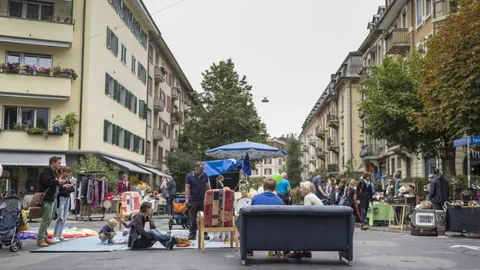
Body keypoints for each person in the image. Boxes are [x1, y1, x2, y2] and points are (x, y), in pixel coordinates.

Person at [287, 181, 323, 259]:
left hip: (315, 225)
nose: (300, 190)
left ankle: (297, 252)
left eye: (302, 188)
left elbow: (306, 213)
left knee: (296, 227)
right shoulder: (312, 196)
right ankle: (306, 251)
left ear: (307, 189)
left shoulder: (308, 197)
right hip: (320, 223)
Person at [37, 156, 67, 247]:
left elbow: (52, 183)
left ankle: (44, 237)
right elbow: (46, 181)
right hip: (47, 198)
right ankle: (40, 239)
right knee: (46, 219)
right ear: (53, 162)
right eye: (58, 163)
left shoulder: (52, 172)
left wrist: (62, 185)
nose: (60, 165)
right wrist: (58, 182)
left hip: (52, 198)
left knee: (49, 219)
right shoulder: (47, 170)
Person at [185, 162, 211, 241]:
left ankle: (204, 233)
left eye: (203, 169)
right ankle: (192, 233)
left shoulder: (204, 175)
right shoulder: (189, 176)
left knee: (205, 217)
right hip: (193, 200)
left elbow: (207, 186)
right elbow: (187, 188)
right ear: (196, 168)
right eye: (200, 169)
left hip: (203, 199)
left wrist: (210, 196)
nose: (202, 171)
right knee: (192, 217)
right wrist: (187, 199)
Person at [53, 166, 74, 243]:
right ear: (63, 172)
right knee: (60, 218)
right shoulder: (59, 180)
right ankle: (55, 235)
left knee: (64, 218)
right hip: (61, 199)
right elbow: (59, 191)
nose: (68, 174)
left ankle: (59, 234)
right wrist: (66, 187)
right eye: (67, 172)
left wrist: (68, 187)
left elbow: (73, 189)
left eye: (69, 172)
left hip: (67, 198)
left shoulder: (67, 180)